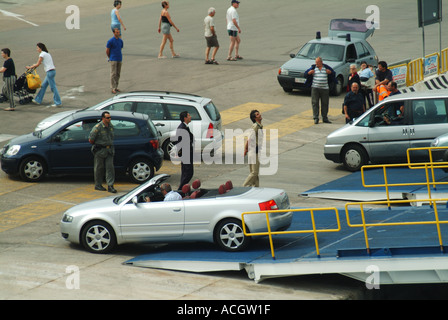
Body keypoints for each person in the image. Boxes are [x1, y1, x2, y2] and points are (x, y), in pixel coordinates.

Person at [89, 111, 116, 193]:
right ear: (103, 118)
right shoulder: (97, 127)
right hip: (100, 150)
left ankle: (110, 186)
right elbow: (91, 139)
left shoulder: (111, 126)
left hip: (109, 150)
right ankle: (98, 185)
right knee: (99, 168)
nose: (109, 119)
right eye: (108, 118)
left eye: (110, 117)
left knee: (110, 168)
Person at [27, 43, 61, 107]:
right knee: (43, 86)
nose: (37, 49)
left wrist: (30, 67)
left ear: (41, 48)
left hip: (50, 72)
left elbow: (37, 64)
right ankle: (38, 100)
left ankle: (58, 102)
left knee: (53, 87)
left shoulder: (42, 54)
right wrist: (32, 66)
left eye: (37, 48)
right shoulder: (47, 54)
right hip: (52, 71)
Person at [304, 57, 335, 124]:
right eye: (316, 62)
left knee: (325, 103)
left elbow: (333, 74)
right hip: (315, 88)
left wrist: (330, 73)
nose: (316, 64)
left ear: (321, 62)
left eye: (317, 62)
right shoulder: (313, 68)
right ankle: (316, 118)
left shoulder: (326, 68)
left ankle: (325, 117)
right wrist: (309, 73)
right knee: (315, 103)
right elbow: (305, 74)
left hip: (325, 88)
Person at [243, 110, 263, 187]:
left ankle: (256, 188)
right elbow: (250, 138)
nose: (260, 115)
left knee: (255, 173)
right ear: (255, 118)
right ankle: (244, 186)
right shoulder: (255, 126)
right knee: (254, 173)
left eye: (259, 113)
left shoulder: (259, 126)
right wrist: (245, 149)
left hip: (255, 151)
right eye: (257, 114)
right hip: (254, 151)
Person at [176, 111, 194, 190]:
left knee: (186, 173)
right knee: (188, 173)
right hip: (186, 154)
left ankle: (182, 190)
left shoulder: (185, 127)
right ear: (185, 118)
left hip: (187, 153)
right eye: (189, 115)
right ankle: (180, 190)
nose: (190, 116)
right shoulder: (182, 128)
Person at [106, 28, 123, 94]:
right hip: (113, 59)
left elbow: (120, 48)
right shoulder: (110, 41)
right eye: (117, 32)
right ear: (114, 33)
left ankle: (116, 86)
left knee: (118, 74)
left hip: (119, 59)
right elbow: (107, 50)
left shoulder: (120, 41)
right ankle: (112, 88)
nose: (118, 33)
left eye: (118, 32)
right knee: (113, 74)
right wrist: (110, 57)